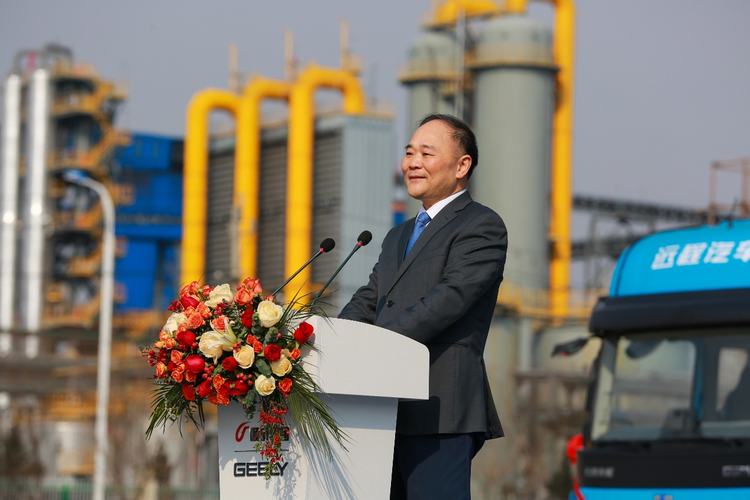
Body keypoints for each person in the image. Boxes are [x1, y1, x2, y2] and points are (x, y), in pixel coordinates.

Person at [339, 114, 507, 499]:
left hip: (439, 409)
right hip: (381, 410)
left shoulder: (481, 225)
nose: (413, 162)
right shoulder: (398, 235)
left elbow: (448, 299)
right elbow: (370, 297)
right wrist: (334, 340)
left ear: (462, 165)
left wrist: (373, 344)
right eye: (409, 152)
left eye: (426, 153)